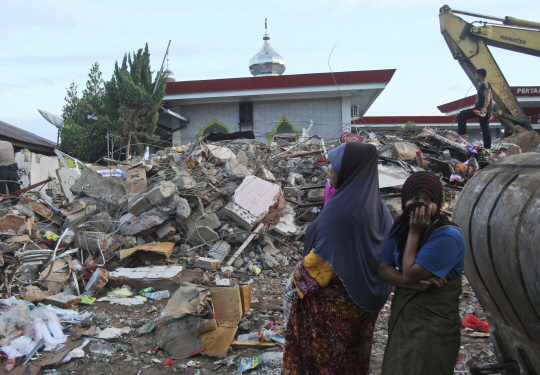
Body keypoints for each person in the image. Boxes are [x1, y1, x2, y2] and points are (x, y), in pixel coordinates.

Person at [282, 142, 393, 375]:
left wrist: (295, 280)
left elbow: (321, 263)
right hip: (364, 308)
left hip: (333, 312)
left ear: (348, 169)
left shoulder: (342, 211)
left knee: (328, 364)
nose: (328, 169)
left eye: (333, 164)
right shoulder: (380, 210)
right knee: (353, 360)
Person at [378, 172, 466, 375]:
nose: (421, 205)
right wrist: (413, 285)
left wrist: (415, 232)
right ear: (404, 200)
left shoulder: (447, 236)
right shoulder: (401, 227)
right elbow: (383, 268)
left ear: (439, 203)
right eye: (415, 198)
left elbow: (409, 272)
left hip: (432, 325)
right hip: (405, 319)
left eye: (429, 200)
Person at [457, 68, 493, 150]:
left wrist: (485, 108)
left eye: (476, 75)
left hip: (482, 110)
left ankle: (488, 148)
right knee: (461, 115)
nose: (475, 77)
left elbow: (488, 97)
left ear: (480, 75)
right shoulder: (482, 84)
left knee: (485, 128)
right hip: (478, 109)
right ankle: (463, 134)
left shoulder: (486, 84)